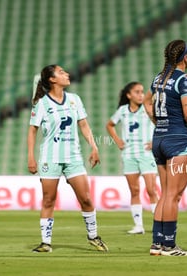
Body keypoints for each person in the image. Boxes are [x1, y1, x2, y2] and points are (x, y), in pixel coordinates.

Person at [27, 64, 109, 253]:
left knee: (86, 199)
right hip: (50, 157)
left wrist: (94, 146)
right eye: (61, 72)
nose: (67, 74)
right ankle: (46, 242)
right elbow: (32, 131)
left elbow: (84, 125)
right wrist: (31, 157)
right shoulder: (42, 104)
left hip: (73, 157)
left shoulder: (74, 100)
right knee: (49, 199)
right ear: (52, 79)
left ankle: (93, 236)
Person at [143, 39, 187, 256]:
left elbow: (147, 103)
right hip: (179, 141)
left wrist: (158, 122)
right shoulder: (184, 79)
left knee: (165, 193)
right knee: (173, 196)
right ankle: (169, 245)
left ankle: (156, 244)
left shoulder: (158, 78)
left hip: (159, 139)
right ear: (185, 56)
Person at [106, 81, 159, 234]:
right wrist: (117, 141)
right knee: (134, 190)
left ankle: (159, 224)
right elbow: (109, 125)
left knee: (151, 189)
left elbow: (162, 124)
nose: (141, 95)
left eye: (142, 92)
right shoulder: (122, 110)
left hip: (146, 153)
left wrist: (155, 141)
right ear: (129, 95)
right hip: (128, 154)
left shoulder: (148, 109)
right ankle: (138, 226)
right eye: (137, 92)